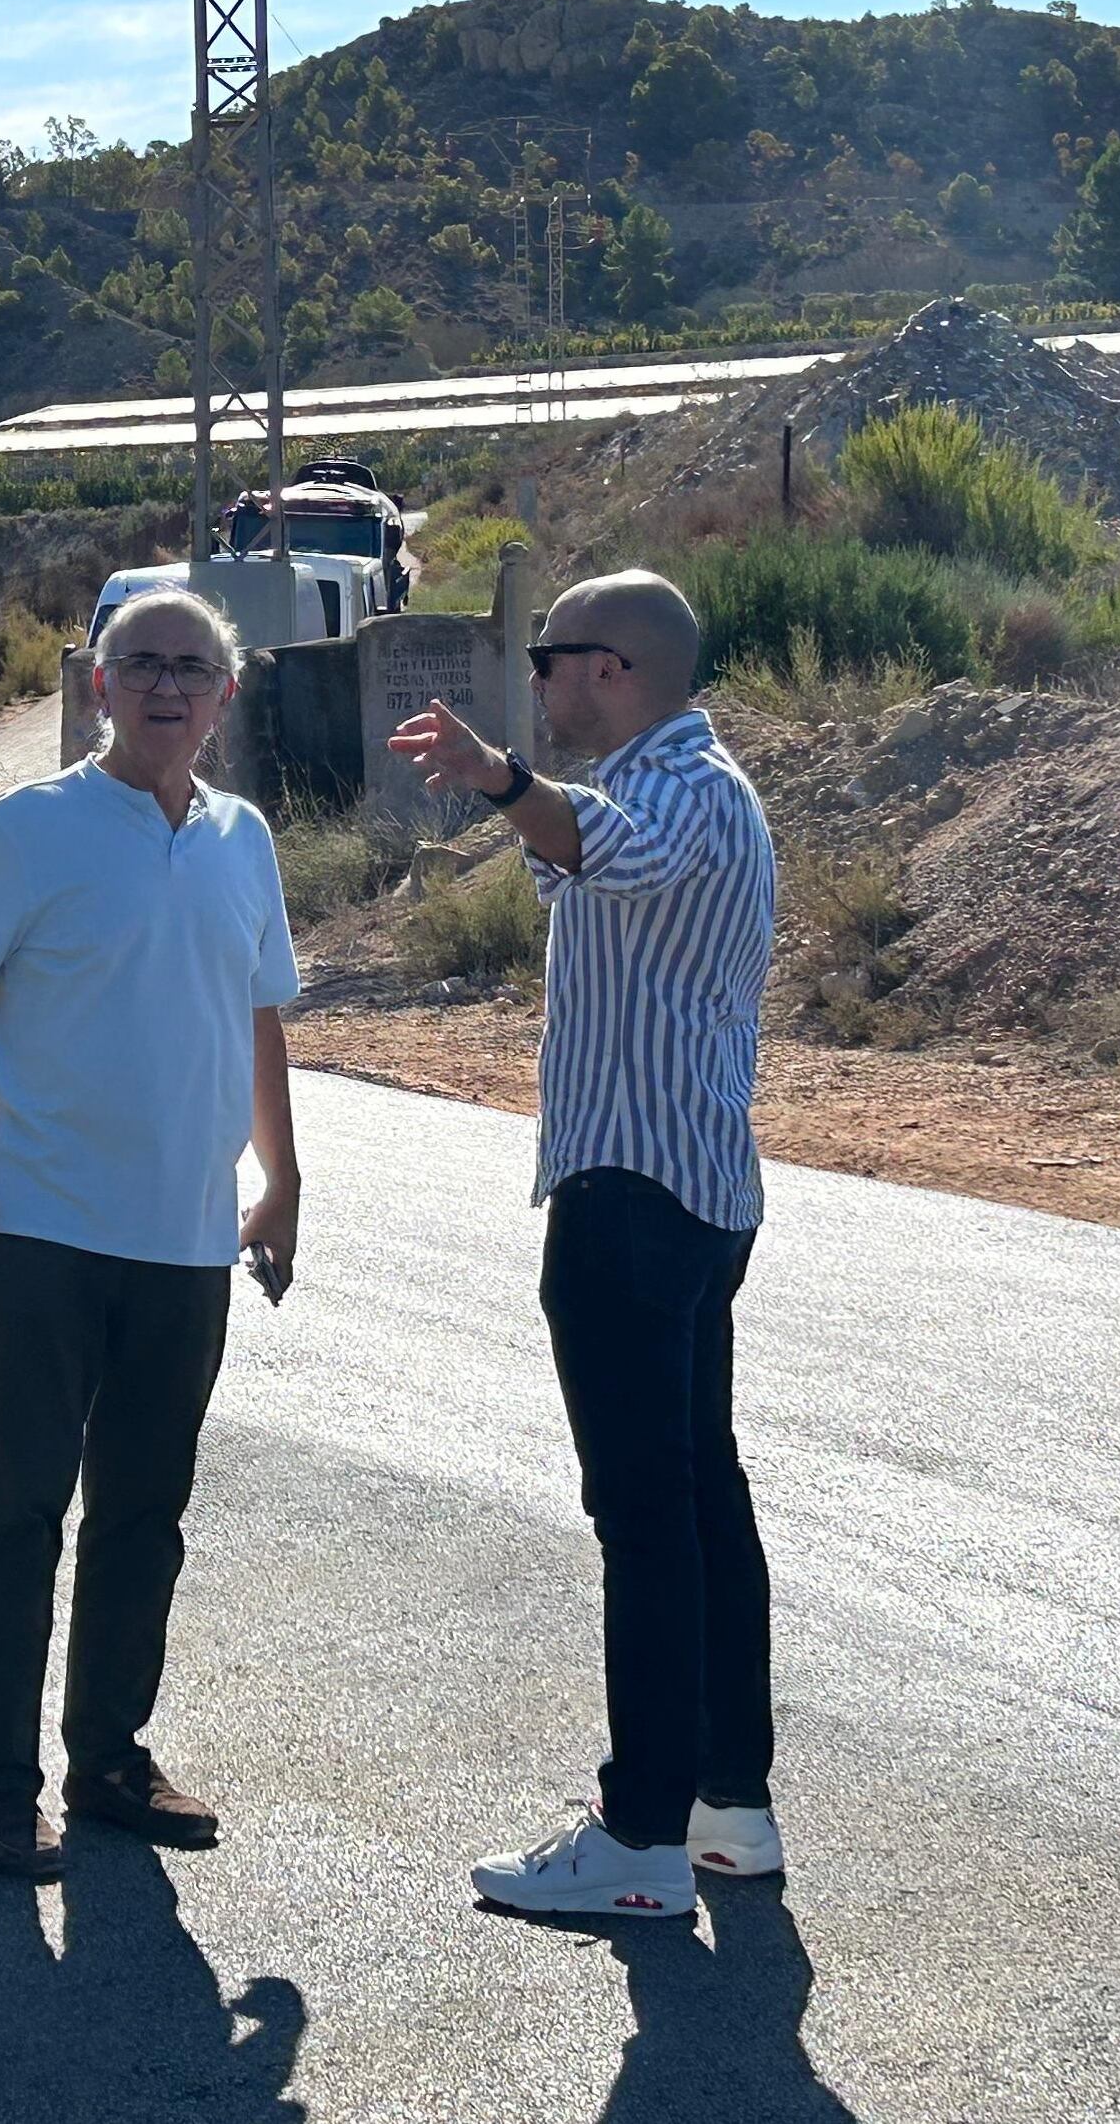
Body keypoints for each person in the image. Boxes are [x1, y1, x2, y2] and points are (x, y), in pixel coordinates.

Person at [386, 569, 782, 1922]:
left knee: (646, 1516)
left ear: (610, 668)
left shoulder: (678, 792)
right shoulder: (693, 787)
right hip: (686, 1192)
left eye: (550, 657)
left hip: (633, 1199)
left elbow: (608, 845)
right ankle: (727, 1807)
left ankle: (639, 1837)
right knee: (698, 1499)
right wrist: (522, 800)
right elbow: (592, 856)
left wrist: (500, 782)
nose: (539, 680)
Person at [0, 587, 302, 1883]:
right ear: (97, 687)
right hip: (40, 1234)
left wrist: (281, 1177)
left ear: (225, 698)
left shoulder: (242, 841)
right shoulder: (31, 829)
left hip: (187, 1247)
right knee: (15, 1513)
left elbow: (257, 1018)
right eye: (142, 666)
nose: (167, 688)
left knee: (144, 1516)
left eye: (193, 668)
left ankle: (110, 1759)